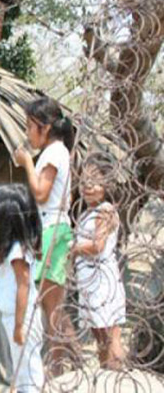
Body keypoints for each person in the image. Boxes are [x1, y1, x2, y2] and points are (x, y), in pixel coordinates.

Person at [13, 97, 77, 376]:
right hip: (53, 229)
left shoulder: (52, 154)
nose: (28, 133)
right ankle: (60, 366)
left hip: (53, 230)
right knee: (54, 304)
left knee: (52, 306)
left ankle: (55, 369)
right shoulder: (58, 152)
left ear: (45, 127)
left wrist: (27, 162)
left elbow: (41, 193)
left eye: (30, 126)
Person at [71, 154, 126, 369]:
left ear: (107, 182)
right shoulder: (89, 212)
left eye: (94, 181)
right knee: (101, 339)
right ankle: (108, 378)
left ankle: (118, 380)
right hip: (91, 283)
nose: (88, 187)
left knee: (110, 338)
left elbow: (97, 245)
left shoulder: (104, 211)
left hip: (102, 283)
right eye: (84, 181)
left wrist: (72, 248)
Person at [0, 184, 45, 393]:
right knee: (22, 368)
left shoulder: (16, 252)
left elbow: (23, 287)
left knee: (29, 370)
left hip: (20, 317)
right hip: (14, 316)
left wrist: (19, 326)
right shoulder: (15, 248)